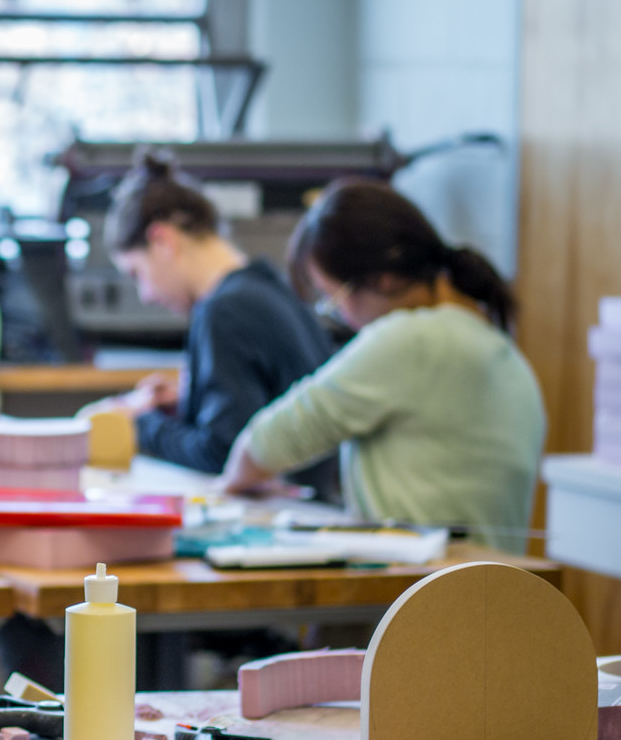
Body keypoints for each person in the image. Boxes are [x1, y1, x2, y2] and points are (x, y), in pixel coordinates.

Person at [221, 178, 546, 553]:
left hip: (422, 583)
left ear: (384, 279)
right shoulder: (504, 352)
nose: (343, 317)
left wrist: (232, 483)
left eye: (333, 298)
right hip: (498, 583)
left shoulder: (409, 340)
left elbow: (270, 442)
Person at [87, 150, 337, 496]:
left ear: (162, 240)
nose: (146, 294)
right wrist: (190, 399)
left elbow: (223, 455)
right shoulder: (268, 286)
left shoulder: (224, 311)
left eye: (137, 273)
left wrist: (139, 423)